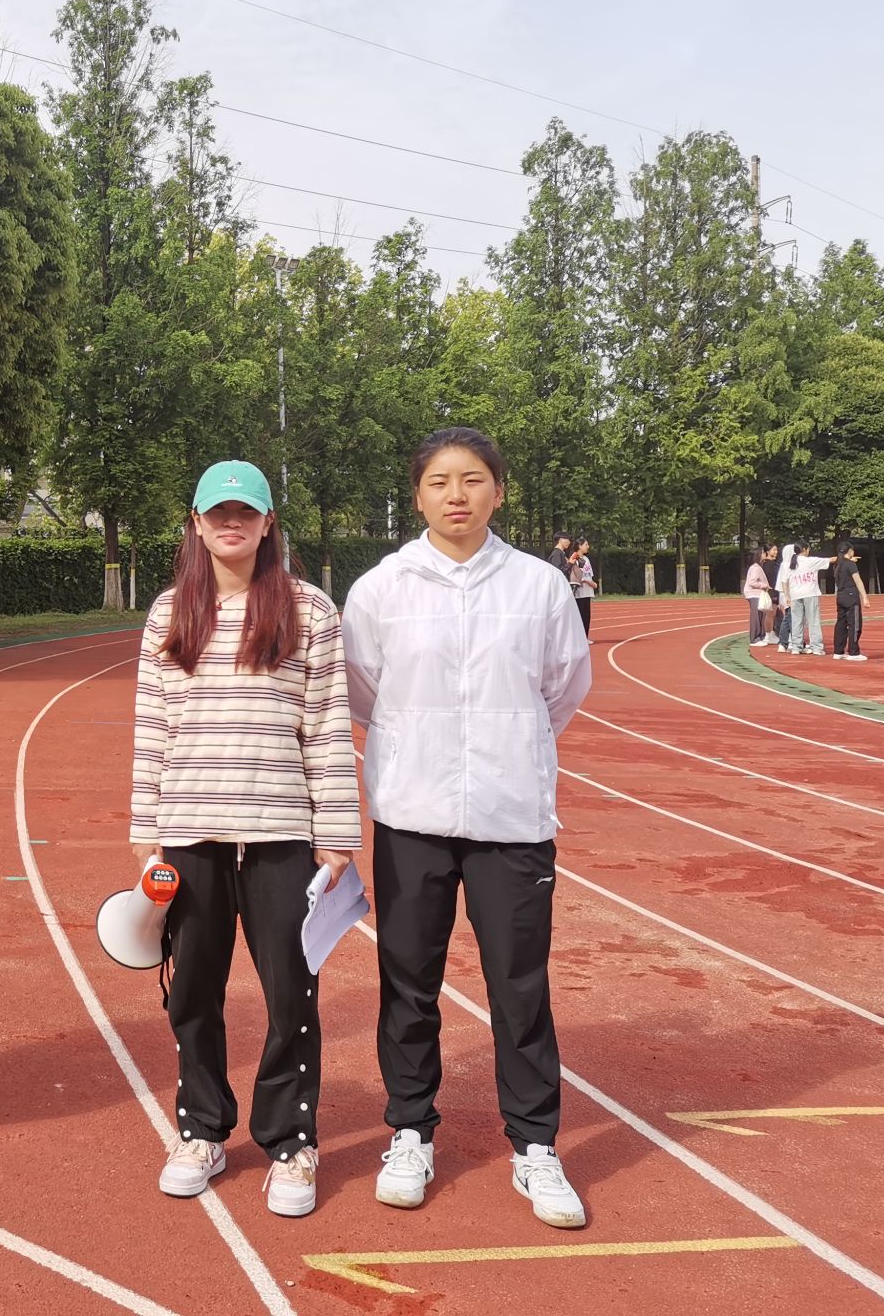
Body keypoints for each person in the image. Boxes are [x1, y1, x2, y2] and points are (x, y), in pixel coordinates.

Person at [343, 427, 593, 1231]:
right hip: (411, 816)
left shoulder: (539, 587)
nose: (457, 495)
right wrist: (418, 748)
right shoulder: (381, 589)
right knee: (408, 983)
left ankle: (536, 1145)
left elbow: (563, 686)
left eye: (474, 479)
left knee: (519, 986)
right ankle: (410, 1132)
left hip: (511, 818)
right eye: (440, 481)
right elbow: (363, 691)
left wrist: (509, 747)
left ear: (499, 491)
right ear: (417, 496)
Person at [131, 461, 361, 1217]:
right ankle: (201, 1129)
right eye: (217, 512)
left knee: (292, 992)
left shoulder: (309, 609)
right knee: (191, 991)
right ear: (196, 524)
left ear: (267, 524)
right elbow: (152, 729)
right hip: (190, 833)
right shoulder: (170, 612)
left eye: (246, 512)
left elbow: (326, 727)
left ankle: (291, 1142)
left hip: (282, 834)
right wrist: (146, 832)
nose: (231, 523)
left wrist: (336, 835)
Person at [784, 543, 833, 656]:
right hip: (810, 593)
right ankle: (816, 647)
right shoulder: (811, 561)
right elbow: (831, 560)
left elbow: (785, 581)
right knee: (813, 621)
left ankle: (796, 647)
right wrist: (846, 558)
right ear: (804, 549)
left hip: (795, 595)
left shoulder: (790, 563)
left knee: (796, 622)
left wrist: (787, 596)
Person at [832, 541, 867, 661]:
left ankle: (838, 651)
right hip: (851, 596)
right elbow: (857, 580)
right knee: (855, 624)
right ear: (850, 551)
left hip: (840, 595)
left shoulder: (837, 564)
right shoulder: (850, 564)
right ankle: (853, 652)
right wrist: (865, 597)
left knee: (841, 624)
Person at [568, 537, 597, 638]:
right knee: (580, 616)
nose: (588, 546)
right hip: (579, 592)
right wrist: (588, 582)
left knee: (587, 616)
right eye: (586, 545)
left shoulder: (586, 559)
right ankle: (579, 638)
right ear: (579, 546)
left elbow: (589, 574)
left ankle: (585, 637)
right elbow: (577, 576)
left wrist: (591, 582)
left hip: (587, 591)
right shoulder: (574, 558)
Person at [743, 551, 772, 647]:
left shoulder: (758, 567)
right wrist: (764, 585)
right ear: (759, 555)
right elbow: (752, 582)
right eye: (763, 553)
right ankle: (754, 639)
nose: (765, 554)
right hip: (754, 594)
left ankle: (760, 637)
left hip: (757, 594)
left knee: (760, 615)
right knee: (756, 616)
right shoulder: (756, 568)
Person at [762, 544, 785, 646]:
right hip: (772, 591)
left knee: (773, 614)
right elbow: (772, 578)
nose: (776, 552)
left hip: (775, 590)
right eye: (773, 550)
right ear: (768, 551)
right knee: (770, 614)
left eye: (776, 550)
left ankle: (772, 633)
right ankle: (768, 635)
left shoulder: (772, 563)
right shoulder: (768, 564)